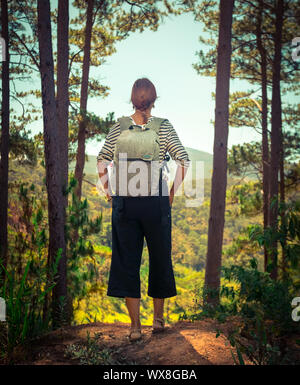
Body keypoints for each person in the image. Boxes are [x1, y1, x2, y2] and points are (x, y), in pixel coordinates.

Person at [97, 78, 190, 341]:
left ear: (132, 100)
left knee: (127, 262)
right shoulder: (163, 127)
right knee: (160, 257)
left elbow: (102, 161)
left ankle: (135, 327)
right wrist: (171, 194)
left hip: (125, 202)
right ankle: (158, 320)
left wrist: (109, 193)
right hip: (155, 201)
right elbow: (183, 160)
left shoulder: (119, 126)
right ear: (154, 100)